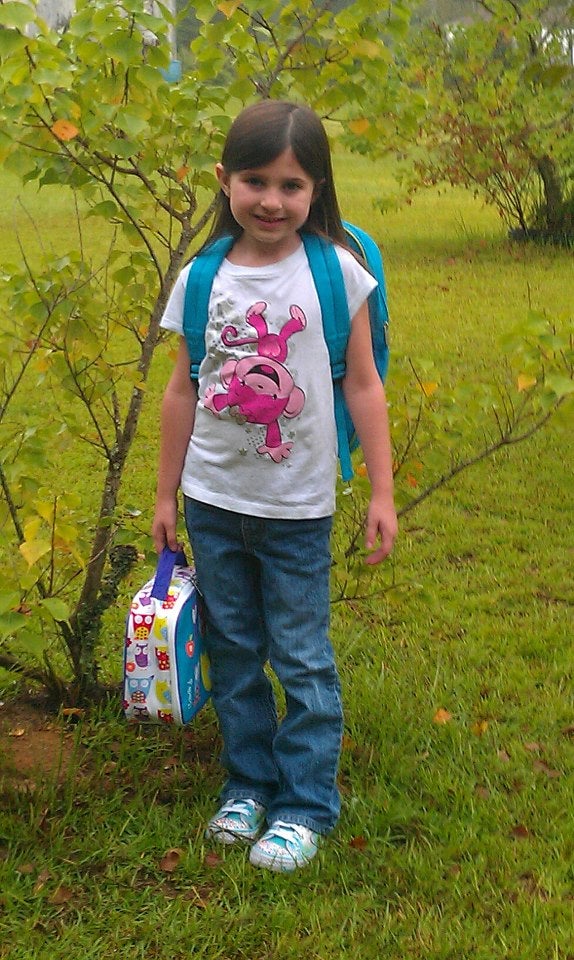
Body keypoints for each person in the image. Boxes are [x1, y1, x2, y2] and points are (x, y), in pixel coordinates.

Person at [152, 100, 397, 873]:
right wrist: (164, 498)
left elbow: (363, 386)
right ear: (223, 181)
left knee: (300, 656)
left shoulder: (336, 272)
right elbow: (183, 390)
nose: (271, 200)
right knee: (231, 651)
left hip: (296, 509)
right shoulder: (202, 279)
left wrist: (382, 493)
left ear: (316, 188)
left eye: (291, 185)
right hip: (213, 503)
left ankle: (303, 806)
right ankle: (248, 785)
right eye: (254, 180)